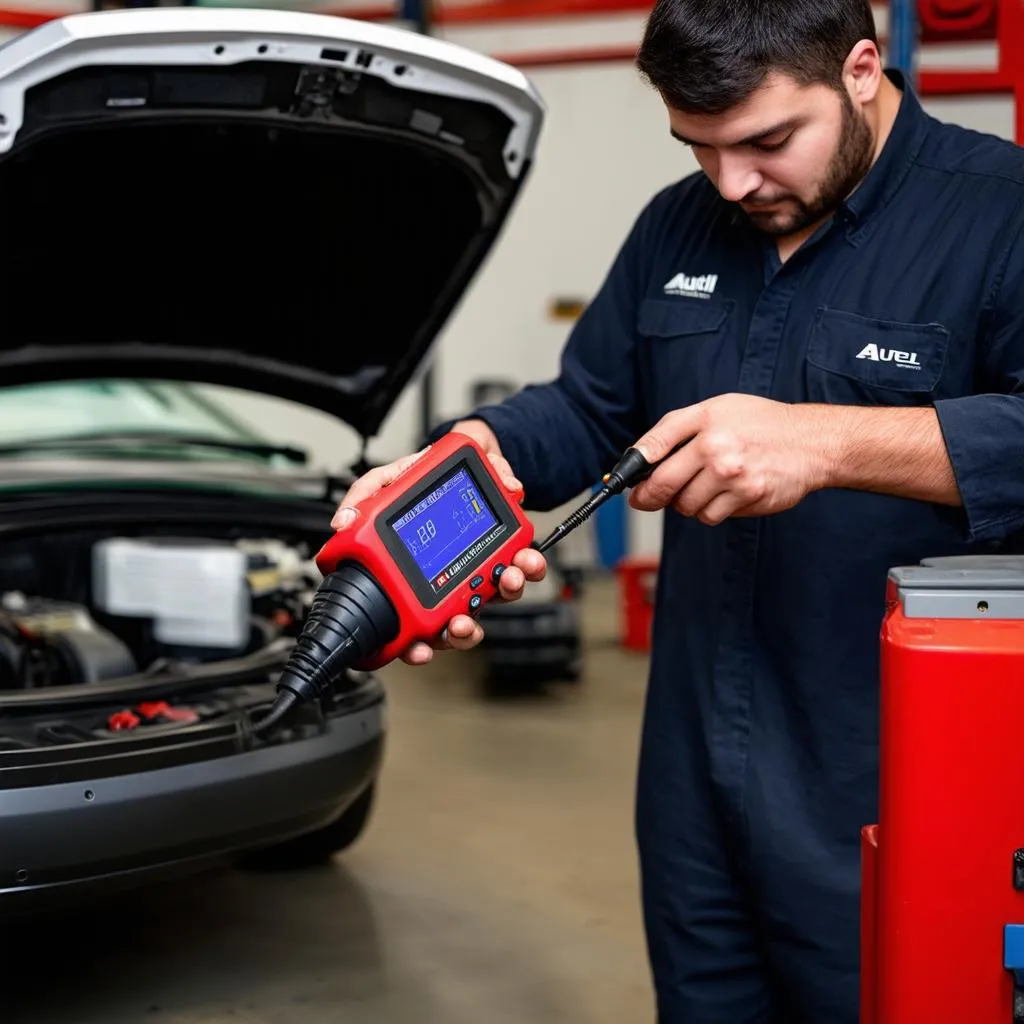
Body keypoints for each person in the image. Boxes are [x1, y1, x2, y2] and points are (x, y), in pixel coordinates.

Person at [333, 1, 1024, 1020]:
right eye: (697, 148)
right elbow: (585, 408)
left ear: (862, 70)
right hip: (696, 779)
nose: (732, 183)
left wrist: (823, 440)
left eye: (766, 142)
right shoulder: (677, 223)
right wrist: (466, 456)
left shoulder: (997, 210)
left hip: (902, 788)